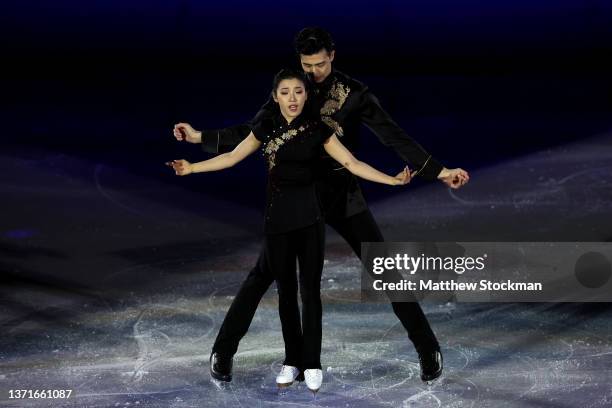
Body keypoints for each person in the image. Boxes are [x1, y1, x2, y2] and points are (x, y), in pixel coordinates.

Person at [173, 27, 469, 384]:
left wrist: (438, 172)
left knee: (384, 266)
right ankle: (223, 349)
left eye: (319, 64)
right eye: (306, 64)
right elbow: (255, 130)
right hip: (295, 201)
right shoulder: (291, 88)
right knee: (262, 275)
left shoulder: (355, 94)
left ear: (333, 56)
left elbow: (393, 135)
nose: (312, 72)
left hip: (341, 194)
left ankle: (427, 347)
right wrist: (201, 137)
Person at [168, 69, 412, 393]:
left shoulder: (319, 127)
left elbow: (352, 163)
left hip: (310, 220)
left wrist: (392, 180)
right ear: (275, 96)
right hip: (277, 221)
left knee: (309, 293)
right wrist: (192, 166)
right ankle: (290, 359)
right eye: (285, 92)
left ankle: (312, 362)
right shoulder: (266, 125)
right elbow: (233, 155)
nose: (293, 98)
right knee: (284, 293)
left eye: (299, 91)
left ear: (306, 95)